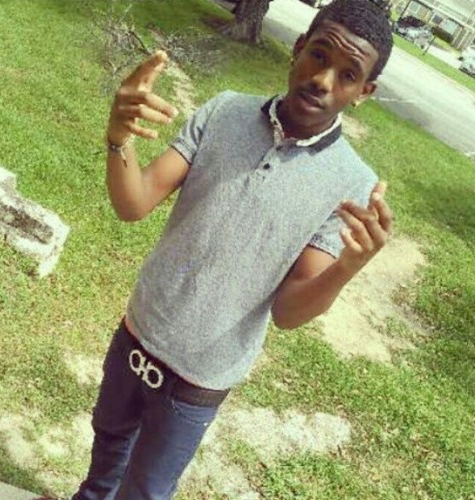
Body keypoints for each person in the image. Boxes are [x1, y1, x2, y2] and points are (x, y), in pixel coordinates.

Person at [73, 0, 394, 498]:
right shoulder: (225, 111)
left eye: (348, 74)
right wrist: (119, 139)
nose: (323, 80)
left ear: (363, 93)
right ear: (297, 49)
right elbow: (133, 202)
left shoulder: (352, 183)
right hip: (139, 331)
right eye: (318, 55)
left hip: (200, 376)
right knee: (104, 458)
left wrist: (345, 269)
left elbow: (288, 313)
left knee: (146, 490)